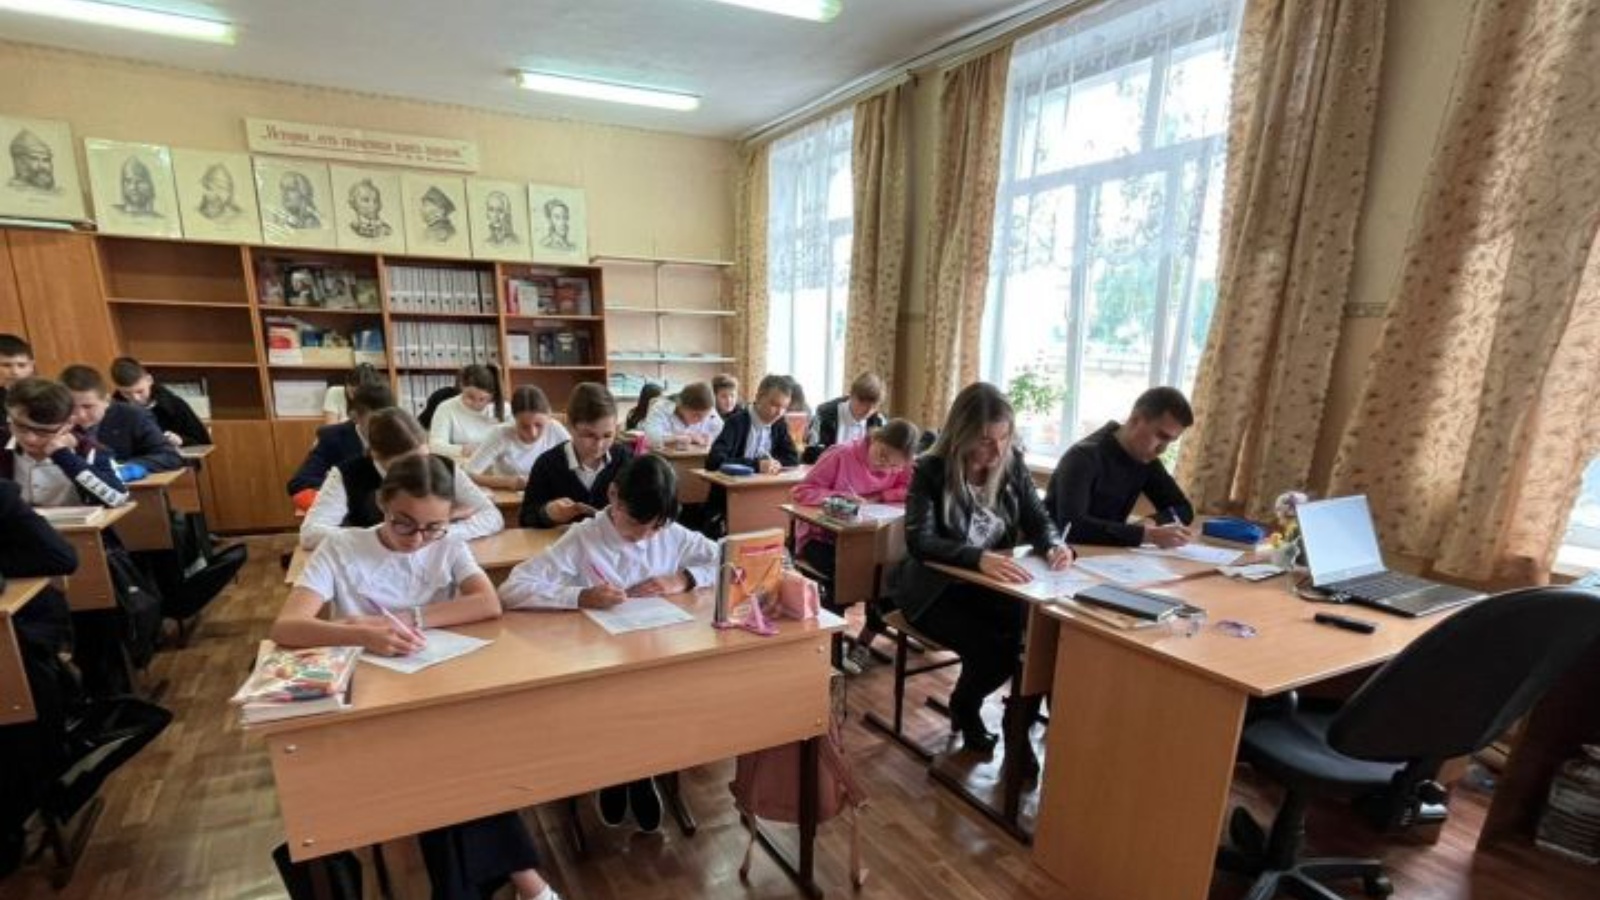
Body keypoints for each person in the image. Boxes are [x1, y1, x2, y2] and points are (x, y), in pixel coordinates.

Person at [273, 454, 562, 900]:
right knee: (451, 767)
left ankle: (508, 887)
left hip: (435, 692)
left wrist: (410, 618)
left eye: (432, 528)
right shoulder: (342, 547)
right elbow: (288, 627)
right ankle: (530, 883)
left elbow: (487, 603)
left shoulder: (447, 545)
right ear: (382, 504)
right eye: (404, 524)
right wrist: (362, 633)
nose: (417, 539)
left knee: (448, 768)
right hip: (371, 708)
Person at [502, 454, 717, 833]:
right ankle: (618, 773)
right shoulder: (583, 538)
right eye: (635, 525)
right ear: (614, 497)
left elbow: (730, 559)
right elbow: (511, 589)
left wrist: (685, 578)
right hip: (601, 663)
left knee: (663, 699)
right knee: (618, 704)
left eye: (655, 528)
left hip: (657, 656)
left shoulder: (671, 533)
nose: (644, 537)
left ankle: (642, 771)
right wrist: (580, 595)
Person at [898, 382, 1073, 752]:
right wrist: (976, 558)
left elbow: (1038, 518)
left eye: (1004, 438)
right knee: (995, 651)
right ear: (960, 435)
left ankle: (1018, 725)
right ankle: (966, 705)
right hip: (934, 591)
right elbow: (920, 541)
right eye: (985, 441)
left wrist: (1054, 544)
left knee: (1036, 638)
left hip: (989, 588)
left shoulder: (1011, 463)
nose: (996, 450)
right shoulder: (931, 469)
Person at [0, 479, 78, 876]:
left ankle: (33, 799)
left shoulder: (2, 496)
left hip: (23, 630)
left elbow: (63, 558)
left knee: (23, 710)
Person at [301, 408, 502, 550]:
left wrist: (437, 533)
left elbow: (492, 517)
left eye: (424, 457)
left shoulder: (444, 465)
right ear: (376, 456)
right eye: (406, 463)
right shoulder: (347, 474)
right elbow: (310, 534)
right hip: (372, 565)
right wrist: (386, 535)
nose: (420, 468)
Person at [1044, 386, 1196, 548]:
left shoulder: (1145, 459)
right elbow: (1072, 527)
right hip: (1058, 553)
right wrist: (1146, 535)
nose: (1162, 449)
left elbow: (1184, 509)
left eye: (1170, 441)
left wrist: (1151, 522)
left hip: (1105, 553)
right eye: (1161, 436)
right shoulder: (1083, 456)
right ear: (1135, 420)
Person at [1, 377, 128, 508]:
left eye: (43, 432)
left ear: (68, 424)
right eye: (21, 427)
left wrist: (64, 456)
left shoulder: (90, 450)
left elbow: (118, 499)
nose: (30, 438)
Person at [519, 383, 632, 528]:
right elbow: (525, 519)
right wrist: (548, 513)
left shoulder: (625, 459)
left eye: (607, 435)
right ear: (570, 425)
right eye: (589, 435)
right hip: (562, 541)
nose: (599, 445)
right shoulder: (546, 464)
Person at [60, 365, 182, 473]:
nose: (80, 415)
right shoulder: (57, 420)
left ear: (106, 400)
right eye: (71, 407)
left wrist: (122, 467)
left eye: (88, 406)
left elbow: (170, 456)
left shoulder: (133, 415)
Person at [286, 381, 395, 502]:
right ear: (354, 416)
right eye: (374, 421)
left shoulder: (399, 433)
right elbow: (299, 483)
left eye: (388, 420)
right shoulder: (332, 438)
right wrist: (337, 483)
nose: (383, 427)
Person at [465, 386, 570, 492]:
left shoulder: (554, 428)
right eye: (524, 426)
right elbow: (468, 474)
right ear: (514, 419)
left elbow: (576, 463)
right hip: (509, 497)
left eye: (539, 425)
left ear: (549, 416)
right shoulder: (501, 434)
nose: (533, 433)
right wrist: (509, 482)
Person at [706, 373, 799, 475]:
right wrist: (756, 465)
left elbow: (793, 459)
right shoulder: (736, 422)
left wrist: (773, 464)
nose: (779, 413)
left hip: (766, 482)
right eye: (774, 405)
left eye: (784, 407)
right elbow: (714, 461)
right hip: (736, 483)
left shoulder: (779, 424)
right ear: (758, 397)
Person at [109, 357, 210, 449]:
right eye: (126, 394)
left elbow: (203, 442)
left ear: (149, 380)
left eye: (140, 391)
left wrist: (181, 440)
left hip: (174, 457)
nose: (136, 398)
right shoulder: (114, 409)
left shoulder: (174, 405)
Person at [804, 372, 888, 464]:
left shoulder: (878, 421)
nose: (867, 411)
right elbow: (811, 453)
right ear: (851, 395)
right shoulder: (825, 413)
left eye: (873, 407)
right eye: (862, 403)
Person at [428, 364, 504, 458]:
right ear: (462, 386)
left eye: (482, 399)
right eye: (470, 397)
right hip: (460, 463)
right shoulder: (446, 408)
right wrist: (461, 450)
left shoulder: (505, 409)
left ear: (491, 396)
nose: (476, 404)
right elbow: (435, 446)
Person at [640, 381, 722, 449]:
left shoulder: (709, 409)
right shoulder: (661, 408)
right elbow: (649, 439)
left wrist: (711, 439)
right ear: (681, 406)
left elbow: (722, 432)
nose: (701, 420)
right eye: (696, 415)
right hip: (664, 460)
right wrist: (677, 438)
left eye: (705, 416)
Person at [0, 333, 36, 411]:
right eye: (6, 365)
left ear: (31, 366)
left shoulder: (44, 394)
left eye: (22, 365)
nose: (15, 372)